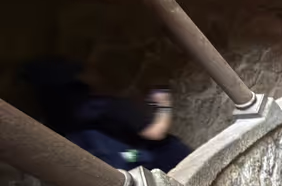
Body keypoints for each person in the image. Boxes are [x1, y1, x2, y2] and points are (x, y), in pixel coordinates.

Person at [20, 57, 191, 172]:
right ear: (78, 78)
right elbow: (155, 132)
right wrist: (164, 104)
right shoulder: (102, 106)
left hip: (123, 170)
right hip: (150, 160)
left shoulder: (58, 122)